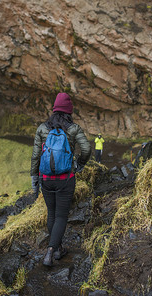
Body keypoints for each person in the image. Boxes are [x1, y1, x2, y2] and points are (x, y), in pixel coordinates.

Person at [30, 92, 91, 267]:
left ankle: (58, 249)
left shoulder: (42, 128)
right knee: (61, 216)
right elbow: (86, 149)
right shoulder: (73, 129)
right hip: (66, 178)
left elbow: (35, 156)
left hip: (46, 179)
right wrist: (80, 164)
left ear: (54, 109)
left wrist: (35, 180)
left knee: (51, 213)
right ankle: (51, 251)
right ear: (69, 111)